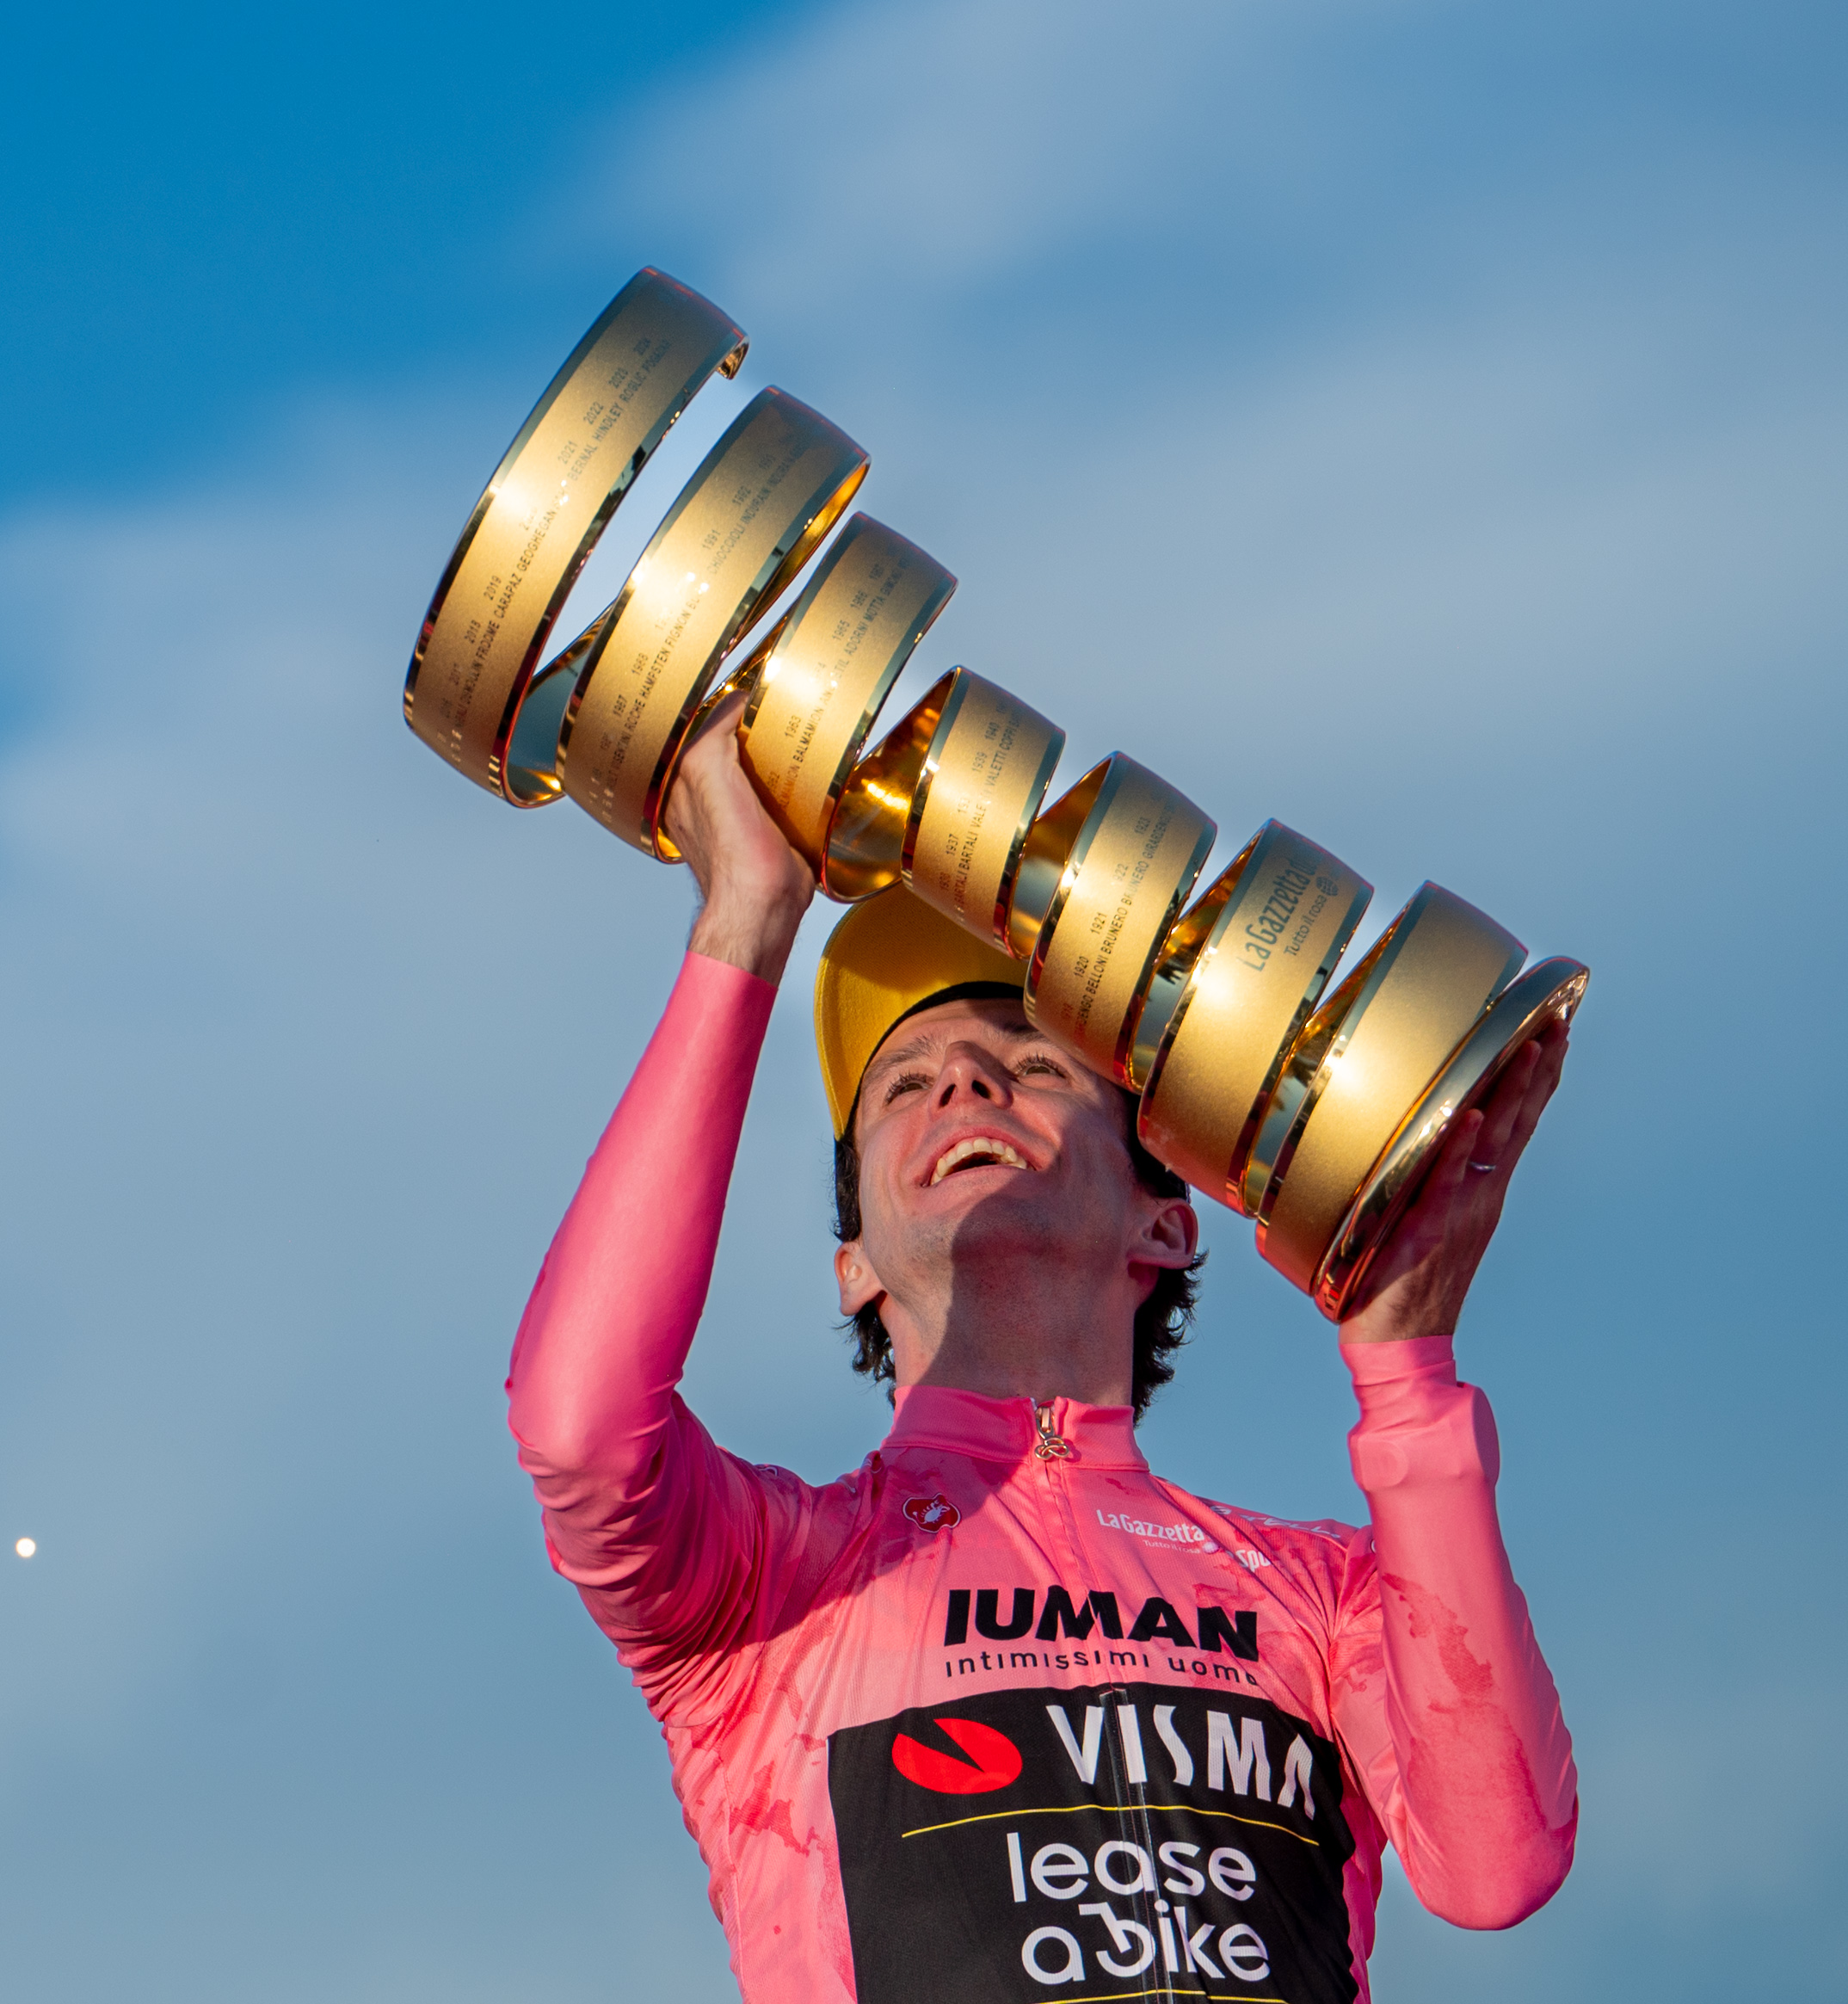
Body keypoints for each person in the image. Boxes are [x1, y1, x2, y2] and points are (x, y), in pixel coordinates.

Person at [506, 703, 1575, 2002]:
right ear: (855, 1261)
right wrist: (744, 920)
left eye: (1033, 1063)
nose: (964, 1080)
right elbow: (580, 1430)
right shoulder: (774, 1583)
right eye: (904, 1084)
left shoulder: (1322, 1594)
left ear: (1164, 1221)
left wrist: (1406, 1369)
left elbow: (1496, 1865)